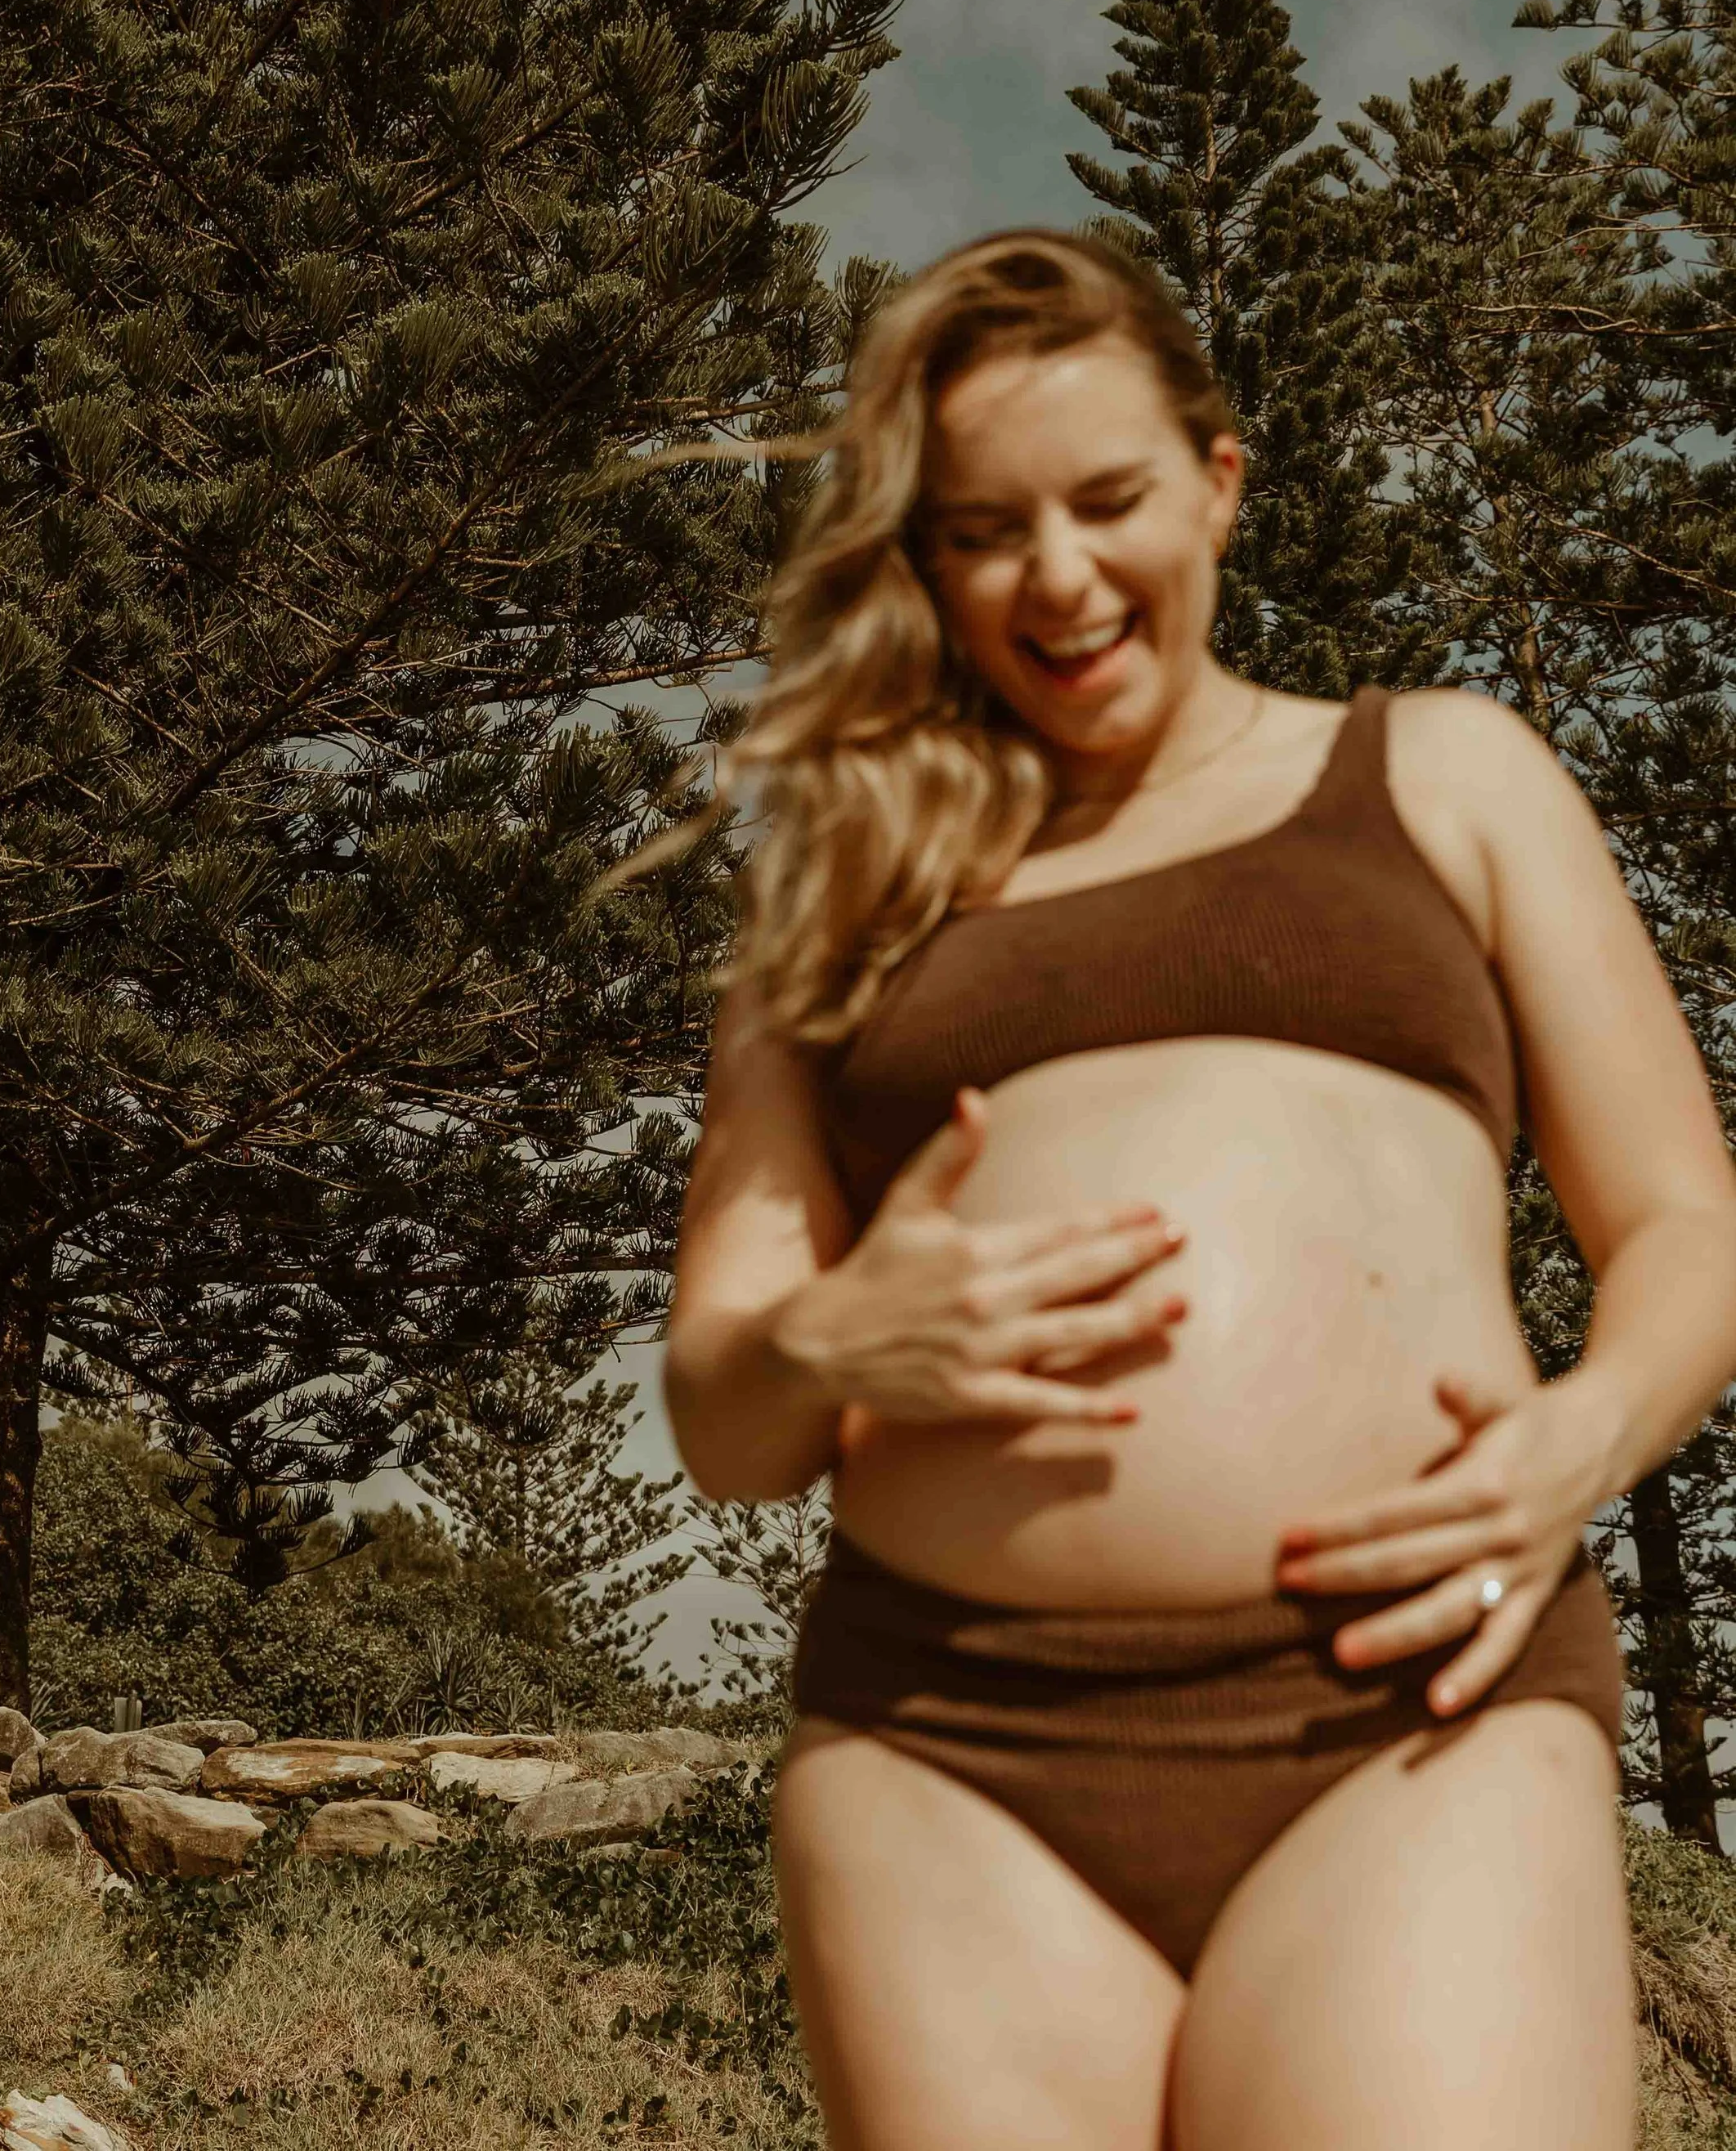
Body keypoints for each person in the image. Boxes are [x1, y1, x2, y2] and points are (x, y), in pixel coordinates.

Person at [660, 228, 1736, 2151]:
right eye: (984, 529)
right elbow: (728, 1420)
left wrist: (1577, 1444)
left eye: (1107, 500)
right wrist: (830, 1335)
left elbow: (1679, 1221)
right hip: (948, 1747)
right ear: (921, 558)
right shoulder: (835, 886)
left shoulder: (1441, 775)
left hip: (1407, 1702)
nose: (1056, 577)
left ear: (1217, 484)